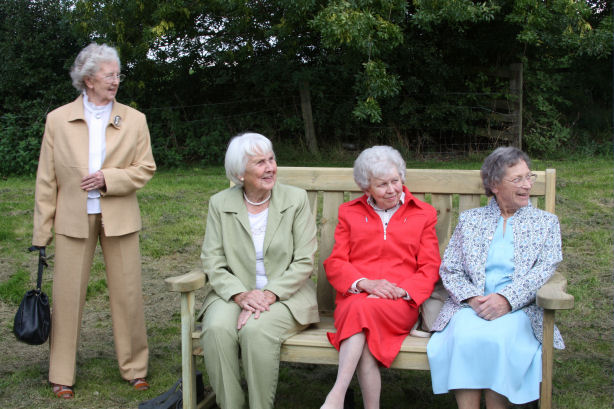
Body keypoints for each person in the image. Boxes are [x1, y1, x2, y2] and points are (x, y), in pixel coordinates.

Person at [31, 43, 156, 399]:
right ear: (88, 79)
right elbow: (46, 179)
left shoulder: (135, 119)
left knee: (128, 293)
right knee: (67, 296)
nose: (116, 80)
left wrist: (108, 179)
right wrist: (41, 233)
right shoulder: (57, 119)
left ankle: (135, 369)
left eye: (118, 74)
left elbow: (146, 168)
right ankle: (61, 374)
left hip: (119, 217)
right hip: (72, 217)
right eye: (109, 75)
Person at [427, 147, 564, 408]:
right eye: (517, 179)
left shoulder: (546, 223)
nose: (527, 185)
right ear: (495, 185)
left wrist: (507, 300)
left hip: (520, 310)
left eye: (529, 177)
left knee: (498, 338)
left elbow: (544, 269)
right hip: (472, 306)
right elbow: (450, 269)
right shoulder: (470, 220)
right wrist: (472, 298)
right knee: (465, 335)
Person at [200, 132, 319, 409]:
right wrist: (241, 295)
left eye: (271, 159)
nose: (270, 168)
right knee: (216, 329)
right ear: (240, 173)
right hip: (234, 291)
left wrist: (268, 295)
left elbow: (304, 261)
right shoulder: (219, 203)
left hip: (287, 293)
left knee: (255, 331)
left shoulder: (296, 199)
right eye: (260, 163)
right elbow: (213, 260)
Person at [321, 146, 441, 409]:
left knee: (360, 312)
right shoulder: (349, 212)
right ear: (366, 188)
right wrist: (364, 283)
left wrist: (401, 290)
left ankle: (336, 395)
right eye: (382, 184)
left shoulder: (423, 214)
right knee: (361, 318)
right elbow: (336, 262)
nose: (392, 189)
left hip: (399, 302)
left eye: (395, 181)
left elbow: (430, 266)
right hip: (357, 295)